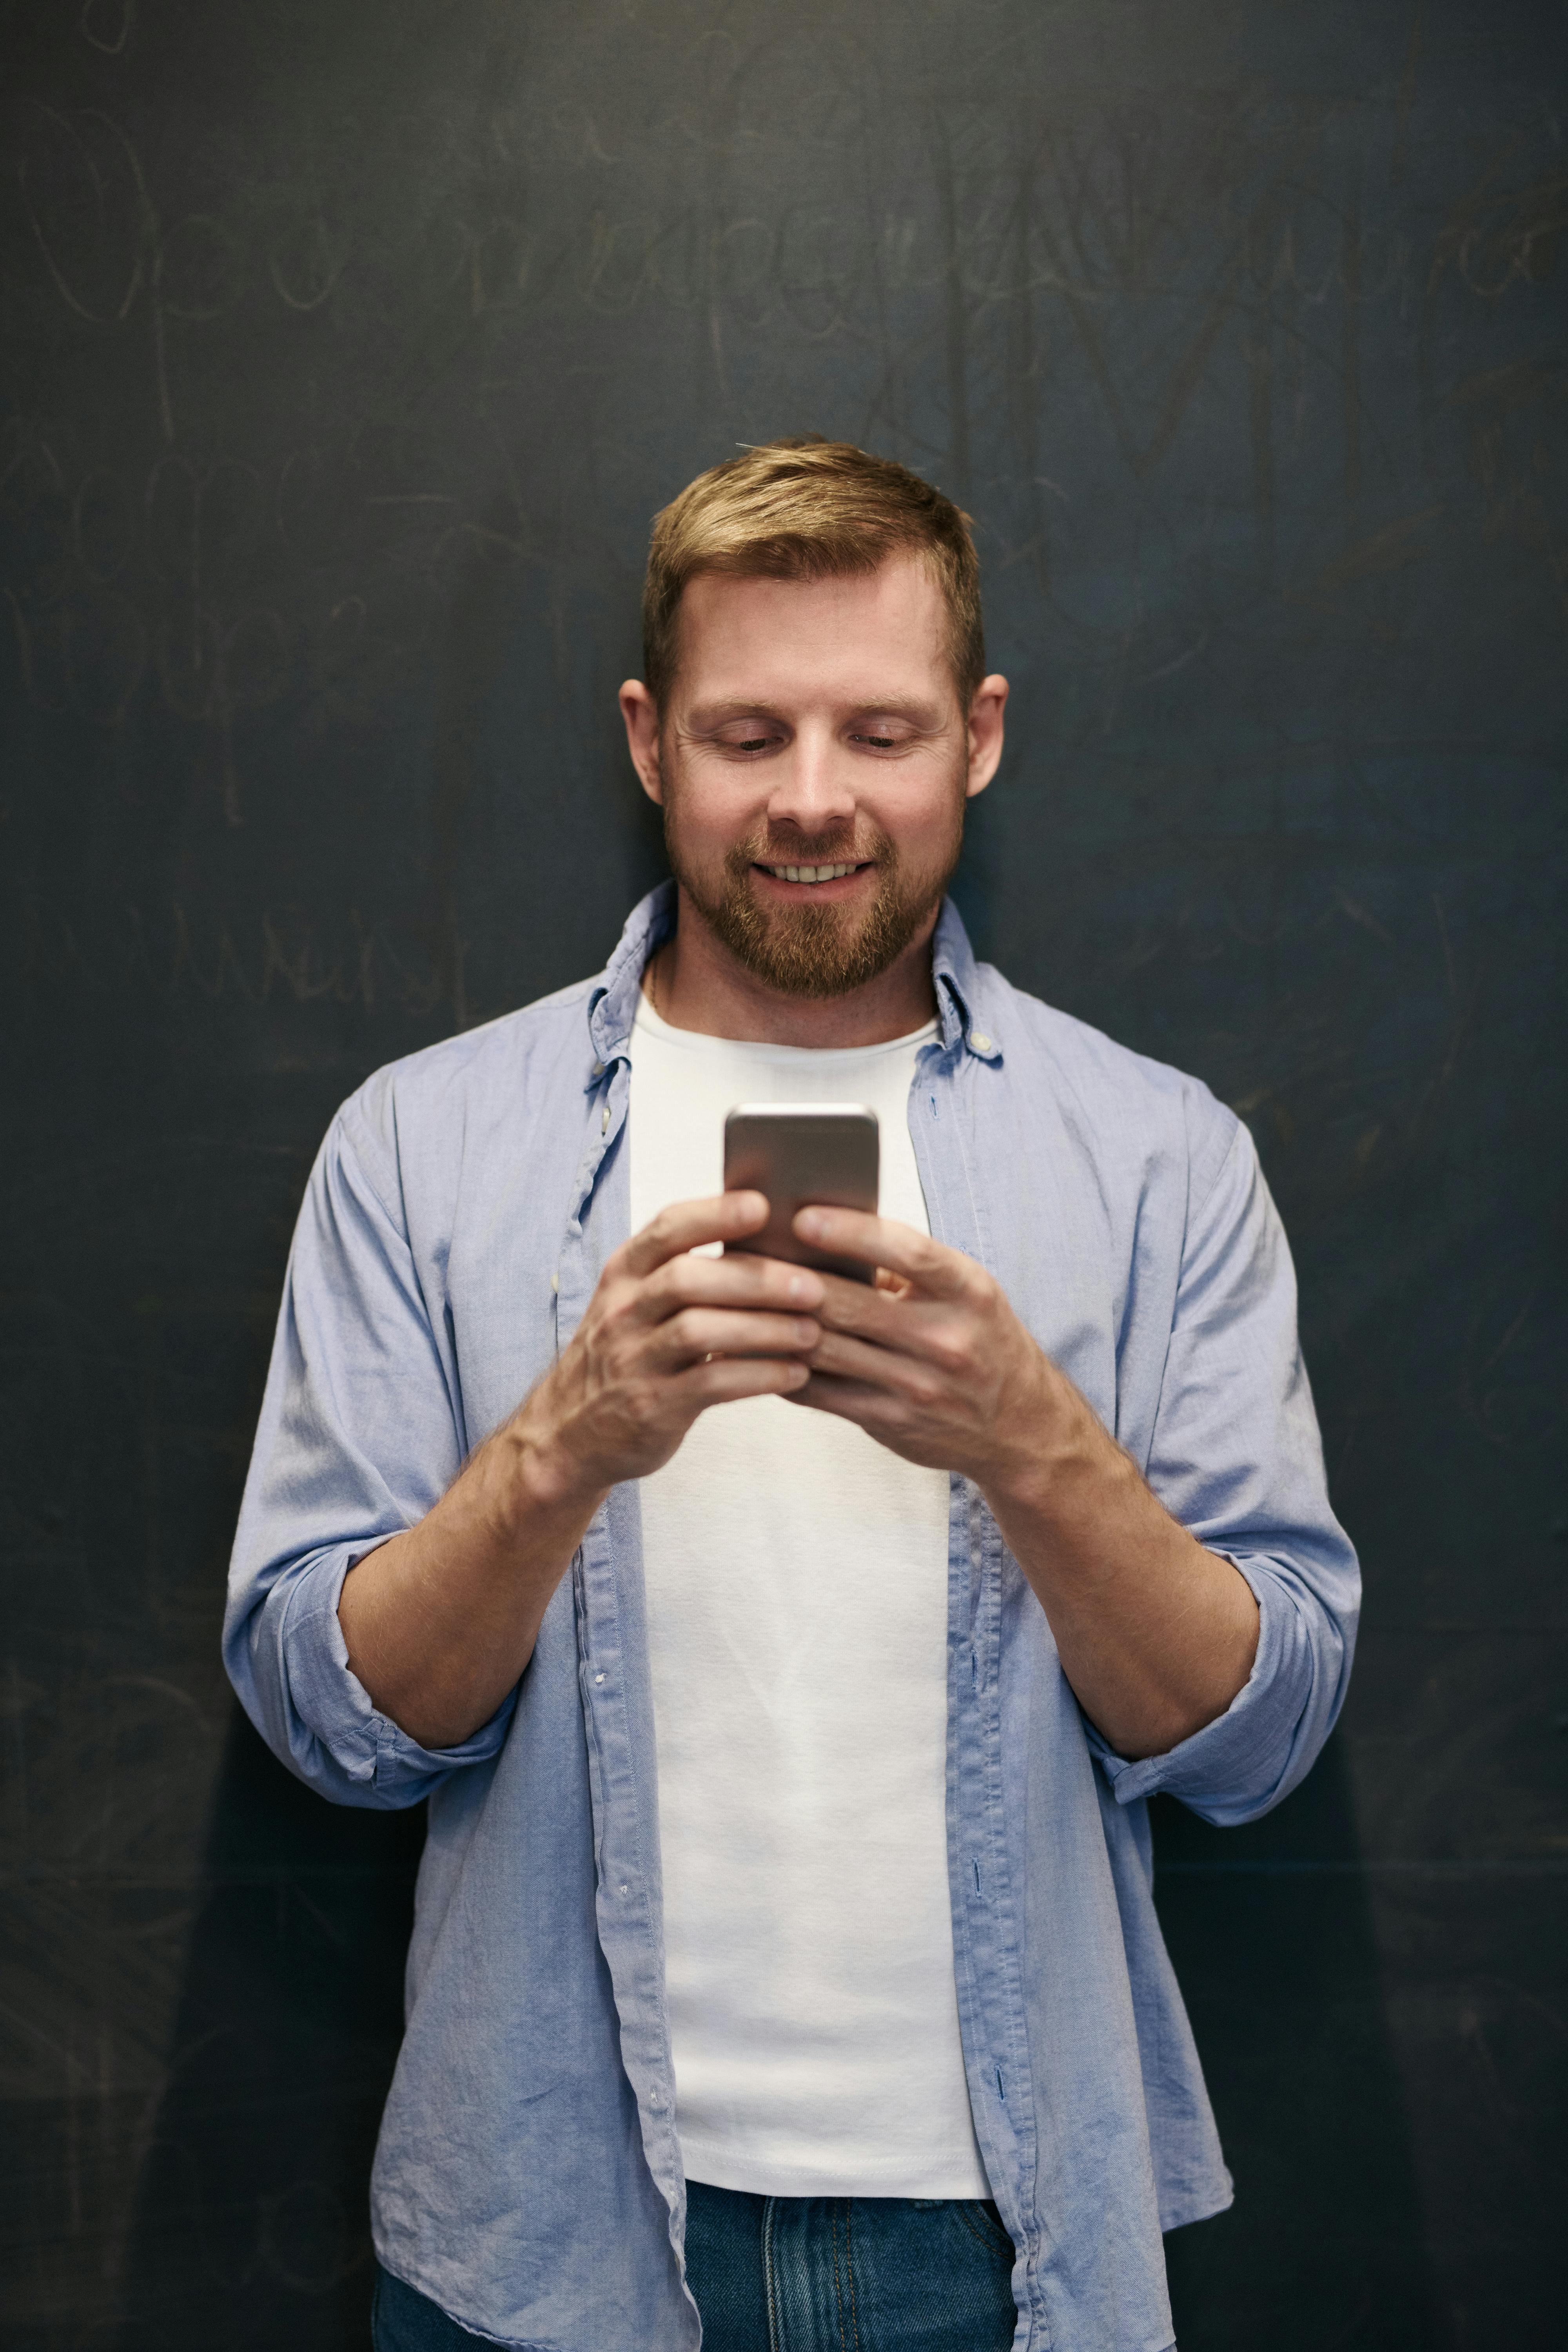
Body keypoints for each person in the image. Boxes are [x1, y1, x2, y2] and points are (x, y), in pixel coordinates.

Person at [225, 437, 1359, 2352]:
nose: (815, 800)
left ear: (979, 738)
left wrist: (1030, 1440)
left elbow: (1261, 1739)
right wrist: (563, 1446)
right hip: (547, 2227)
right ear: (650, 743)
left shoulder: (1157, 1159)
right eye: (749, 735)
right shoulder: (423, 1147)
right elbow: (324, 1718)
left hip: (1014, 2239)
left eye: (880, 732)